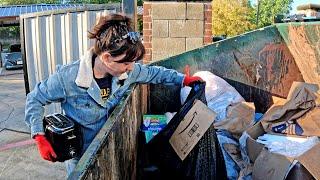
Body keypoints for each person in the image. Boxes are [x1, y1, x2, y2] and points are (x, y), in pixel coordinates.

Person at [24, 13, 202, 176]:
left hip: (113, 152)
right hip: (82, 160)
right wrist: (38, 135)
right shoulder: (68, 78)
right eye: (126, 63)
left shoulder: (128, 72)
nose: (131, 67)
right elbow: (35, 99)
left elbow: (155, 73)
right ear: (107, 58)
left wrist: (182, 80)